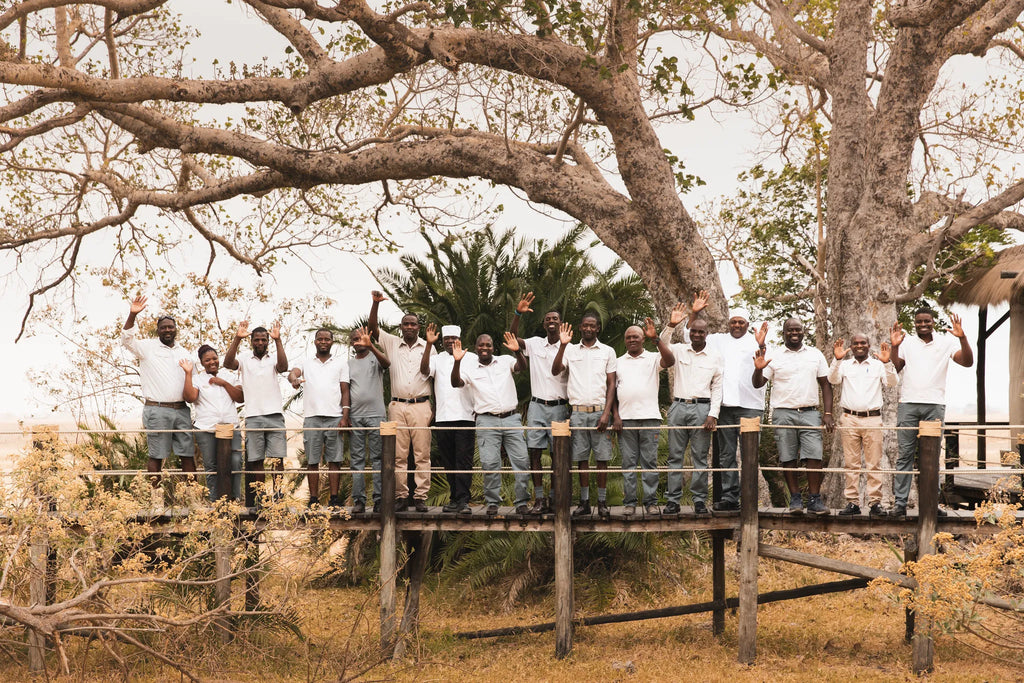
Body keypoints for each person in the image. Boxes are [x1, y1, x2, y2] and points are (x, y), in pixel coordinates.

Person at [673, 292, 767, 511]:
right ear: (729, 323)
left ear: (747, 324)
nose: (736, 325)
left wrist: (762, 346)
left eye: (740, 322)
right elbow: (690, 336)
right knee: (726, 455)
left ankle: (750, 498)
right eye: (733, 321)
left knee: (749, 455)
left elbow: (762, 371)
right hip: (724, 407)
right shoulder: (717, 340)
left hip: (750, 406)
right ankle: (729, 498)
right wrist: (695, 311)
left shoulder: (756, 341)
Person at [890, 309, 973, 517]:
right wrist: (894, 346)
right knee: (905, 456)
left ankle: (931, 503)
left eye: (927, 321)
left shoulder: (946, 343)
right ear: (915, 324)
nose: (923, 324)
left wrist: (962, 338)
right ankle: (900, 503)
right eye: (919, 322)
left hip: (934, 405)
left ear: (933, 322)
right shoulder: (906, 343)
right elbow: (895, 367)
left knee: (931, 456)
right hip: (908, 404)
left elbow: (967, 362)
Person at [752, 318, 834, 515]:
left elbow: (825, 384)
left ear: (803, 332)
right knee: (788, 456)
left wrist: (828, 413)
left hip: (810, 412)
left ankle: (815, 500)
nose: (794, 333)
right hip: (783, 413)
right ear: (784, 333)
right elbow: (757, 384)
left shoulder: (815, 354)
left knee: (814, 456)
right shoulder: (775, 355)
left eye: (798, 329)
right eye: (790, 330)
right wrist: (758, 368)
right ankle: (795, 499)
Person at [121, 295, 195, 511]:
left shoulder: (184, 352)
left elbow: (193, 383)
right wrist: (133, 313)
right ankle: (156, 502)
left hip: (182, 409)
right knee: (157, 455)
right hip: (157, 409)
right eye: (163, 327)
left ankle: (190, 500)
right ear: (157, 330)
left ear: (176, 329)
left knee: (187, 454)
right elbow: (126, 339)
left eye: (170, 327)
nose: (167, 330)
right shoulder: (147, 348)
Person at [451, 333, 531, 515]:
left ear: (493, 348)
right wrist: (456, 362)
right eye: (481, 345)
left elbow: (522, 367)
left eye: (488, 345)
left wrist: (518, 352)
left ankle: (522, 502)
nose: (484, 348)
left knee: (521, 460)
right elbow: (456, 382)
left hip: (511, 418)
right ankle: (493, 502)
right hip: (486, 420)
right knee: (489, 463)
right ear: (475, 348)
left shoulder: (504, 361)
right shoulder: (469, 368)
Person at [369, 291, 434, 512]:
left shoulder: (429, 346)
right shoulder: (391, 343)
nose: (409, 327)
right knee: (399, 455)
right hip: (397, 406)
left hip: (421, 406)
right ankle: (401, 496)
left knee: (422, 454)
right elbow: (372, 329)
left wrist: (433, 408)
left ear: (418, 327)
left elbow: (435, 376)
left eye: (413, 324)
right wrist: (375, 304)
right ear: (401, 327)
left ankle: (421, 497)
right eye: (405, 324)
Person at [551, 313, 617, 518]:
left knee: (602, 459)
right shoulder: (570, 350)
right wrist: (562, 346)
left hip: (599, 412)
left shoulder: (608, 351)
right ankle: (585, 502)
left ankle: (603, 502)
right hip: (578, 413)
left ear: (598, 328)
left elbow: (612, 384)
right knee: (581, 459)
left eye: (592, 326)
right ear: (580, 327)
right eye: (585, 325)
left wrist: (607, 413)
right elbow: (555, 371)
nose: (588, 329)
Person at [510, 292, 570, 514]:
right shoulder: (534, 344)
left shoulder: (569, 347)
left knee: (557, 456)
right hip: (536, 406)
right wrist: (518, 313)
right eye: (548, 319)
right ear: (544, 324)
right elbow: (513, 338)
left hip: (560, 407)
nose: (551, 321)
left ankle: (554, 499)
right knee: (534, 453)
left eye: (555, 319)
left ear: (561, 324)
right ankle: (540, 499)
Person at [828, 334, 897, 517]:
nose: (859, 346)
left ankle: (875, 503)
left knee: (874, 463)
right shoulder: (844, 365)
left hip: (872, 418)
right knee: (851, 464)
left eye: (863, 343)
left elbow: (892, 383)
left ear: (868, 345)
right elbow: (832, 379)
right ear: (851, 346)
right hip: (849, 418)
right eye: (856, 343)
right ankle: (852, 502)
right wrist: (837, 359)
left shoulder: (878, 365)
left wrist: (888, 362)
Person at [661, 315, 723, 515]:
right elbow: (662, 343)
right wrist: (671, 324)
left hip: (702, 409)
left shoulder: (715, 356)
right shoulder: (679, 350)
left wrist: (713, 414)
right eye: (693, 331)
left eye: (701, 331)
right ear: (690, 333)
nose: (697, 334)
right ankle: (672, 501)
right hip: (678, 406)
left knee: (700, 457)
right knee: (674, 456)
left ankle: (699, 501)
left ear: (707, 334)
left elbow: (718, 387)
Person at [223, 320, 289, 505]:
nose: (260, 343)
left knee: (277, 458)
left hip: (274, 414)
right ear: (251, 341)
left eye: (263, 340)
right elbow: (228, 363)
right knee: (256, 459)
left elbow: (283, 367)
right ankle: (261, 497)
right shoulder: (244, 358)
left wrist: (278, 340)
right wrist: (237, 338)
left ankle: (278, 496)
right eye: (257, 340)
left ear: (268, 341)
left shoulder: (274, 358)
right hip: (253, 416)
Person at [614, 319, 674, 516]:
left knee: (649, 462)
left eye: (636, 337)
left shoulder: (652, 358)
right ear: (625, 341)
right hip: (626, 420)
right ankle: (630, 503)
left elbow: (670, 361)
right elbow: (611, 392)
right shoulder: (618, 362)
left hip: (650, 418)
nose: (632, 340)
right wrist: (616, 416)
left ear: (642, 339)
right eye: (629, 337)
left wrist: (656, 338)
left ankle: (650, 503)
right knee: (628, 464)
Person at [288, 329, 351, 508]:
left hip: (335, 417)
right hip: (312, 417)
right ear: (314, 342)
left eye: (327, 339)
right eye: (320, 339)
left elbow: (345, 390)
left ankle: (334, 499)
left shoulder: (340, 364)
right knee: (312, 460)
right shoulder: (306, 362)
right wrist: (294, 379)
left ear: (332, 342)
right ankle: (314, 499)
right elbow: (293, 373)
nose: (323, 342)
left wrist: (345, 416)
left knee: (335, 460)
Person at [421, 323, 476, 514]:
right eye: (447, 339)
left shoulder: (472, 357)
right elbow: (424, 370)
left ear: (459, 339)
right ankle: (454, 498)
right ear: (442, 341)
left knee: (464, 461)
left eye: (454, 338)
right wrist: (429, 345)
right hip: (443, 417)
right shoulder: (437, 358)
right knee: (449, 461)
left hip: (466, 416)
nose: (450, 342)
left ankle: (464, 501)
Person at [181, 345, 244, 502]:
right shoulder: (198, 379)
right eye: (207, 360)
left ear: (219, 358)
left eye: (214, 358)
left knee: (236, 462)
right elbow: (190, 397)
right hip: (206, 428)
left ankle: (235, 499)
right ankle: (215, 501)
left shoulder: (228, 376)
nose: (212, 362)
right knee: (211, 466)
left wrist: (223, 383)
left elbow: (240, 397)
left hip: (231, 426)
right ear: (202, 363)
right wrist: (188, 373)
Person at [345, 326, 390, 514]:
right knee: (357, 459)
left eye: (361, 338)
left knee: (378, 459)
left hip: (376, 415)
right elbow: (345, 389)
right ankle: (359, 500)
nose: (358, 341)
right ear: (351, 343)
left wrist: (371, 346)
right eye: (354, 339)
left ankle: (379, 499)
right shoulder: (348, 364)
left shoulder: (375, 357)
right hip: (355, 417)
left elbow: (387, 364)